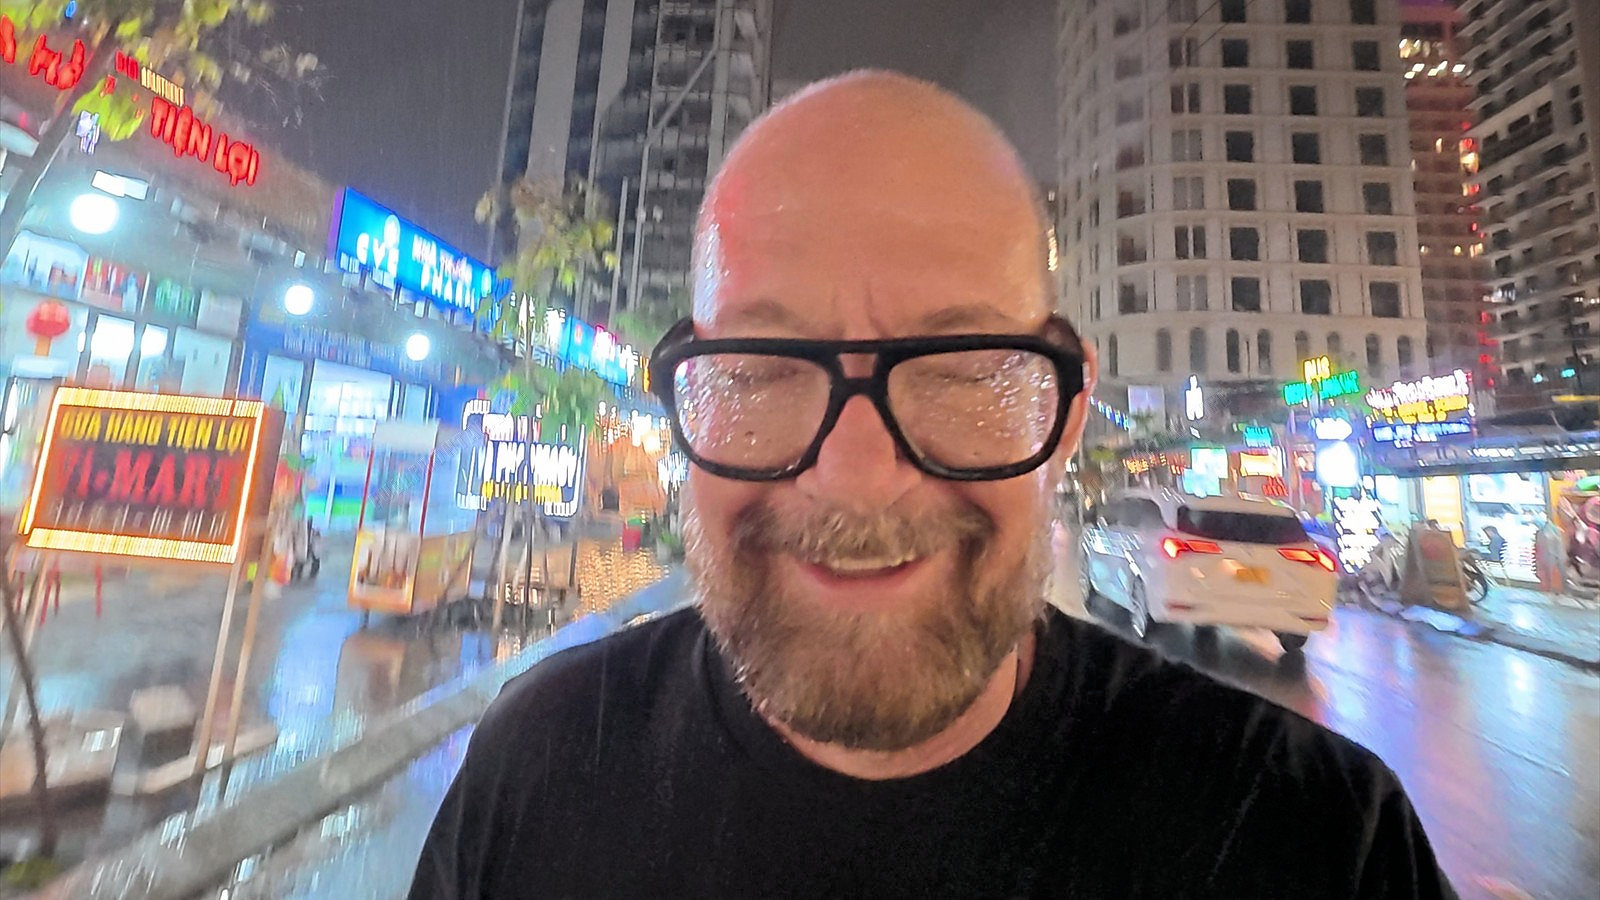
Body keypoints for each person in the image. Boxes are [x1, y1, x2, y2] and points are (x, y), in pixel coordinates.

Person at [410, 72, 1455, 898]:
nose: (857, 478)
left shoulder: (1317, 843)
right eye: (765, 370)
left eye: (960, 372)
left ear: (1064, 415)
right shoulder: (535, 771)